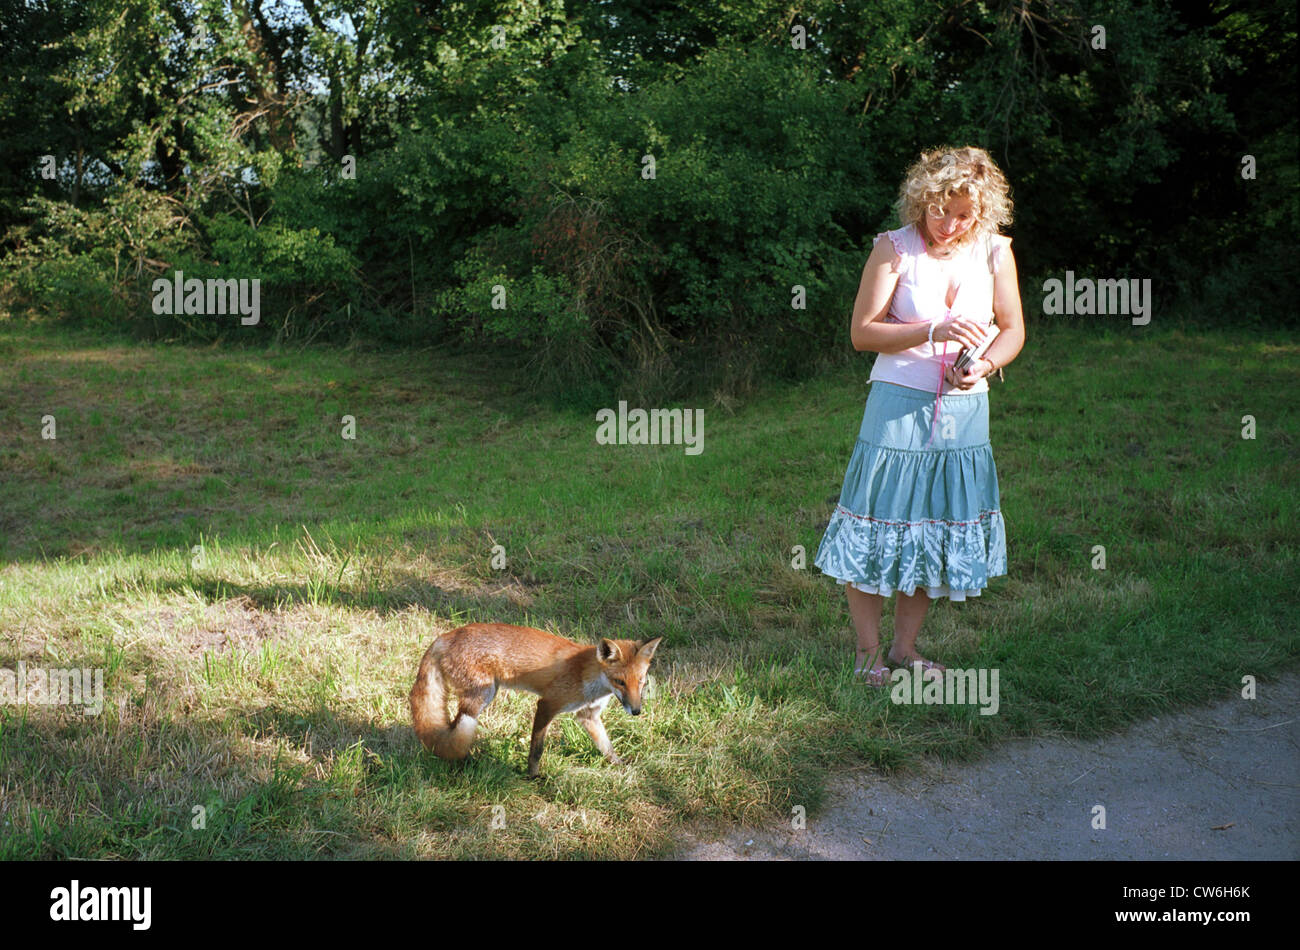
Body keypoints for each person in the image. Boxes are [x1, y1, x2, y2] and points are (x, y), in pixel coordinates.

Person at [814, 146, 1024, 686]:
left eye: (963, 215)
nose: (950, 224)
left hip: (964, 414)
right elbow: (863, 332)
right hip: (896, 412)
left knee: (931, 529)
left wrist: (985, 367)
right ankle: (867, 656)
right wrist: (932, 330)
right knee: (874, 526)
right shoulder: (893, 249)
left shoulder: (997, 252)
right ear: (921, 200)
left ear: (983, 212)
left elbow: (1013, 328)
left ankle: (905, 651)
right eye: (939, 210)